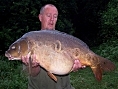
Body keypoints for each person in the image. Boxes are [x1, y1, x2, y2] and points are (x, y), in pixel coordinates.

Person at [21, 4, 84, 89]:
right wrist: (33, 65)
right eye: (48, 15)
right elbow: (33, 74)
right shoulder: (31, 39)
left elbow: (68, 65)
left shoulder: (64, 39)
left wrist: (74, 66)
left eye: (55, 16)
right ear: (40, 17)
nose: (52, 19)